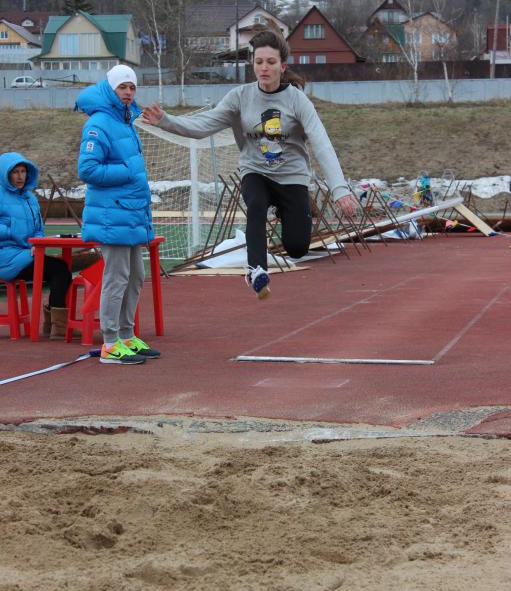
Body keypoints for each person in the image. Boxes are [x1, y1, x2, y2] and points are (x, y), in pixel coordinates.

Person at [142, 29, 357, 299]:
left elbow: (321, 143)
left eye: (270, 62)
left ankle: (283, 209)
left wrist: (339, 189)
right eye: (259, 62)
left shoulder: (297, 100)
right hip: (256, 171)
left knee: (297, 247)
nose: (264, 68)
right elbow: (203, 125)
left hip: (291, 176)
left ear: (282, 66)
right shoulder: (240, 97)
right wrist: (166, 121)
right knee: (255, 205)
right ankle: (256, 270)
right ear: (253, 65)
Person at [76, 64, 160, 365]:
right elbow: (87, 169)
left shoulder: (125, 122)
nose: (128, 92)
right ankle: (110, 343)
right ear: (111, 90)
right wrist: (126, 171)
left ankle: (126, 335)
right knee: (117, 277)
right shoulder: (98, 123)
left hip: (130, 213)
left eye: (132, 87)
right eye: (122, 87)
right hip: (112, 215)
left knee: (135, 276)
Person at [0, 151, 72, 339]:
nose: (20, 176)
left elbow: (39, 228)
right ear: (5, 174)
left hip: (26, 253)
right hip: (6, 257)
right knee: (60, 270)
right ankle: (57, 326)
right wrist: (13, 231)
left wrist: (36, 243)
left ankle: (54, 325)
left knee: (62, 269)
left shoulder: (30, 198)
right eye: (15, 172)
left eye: (23, 171)